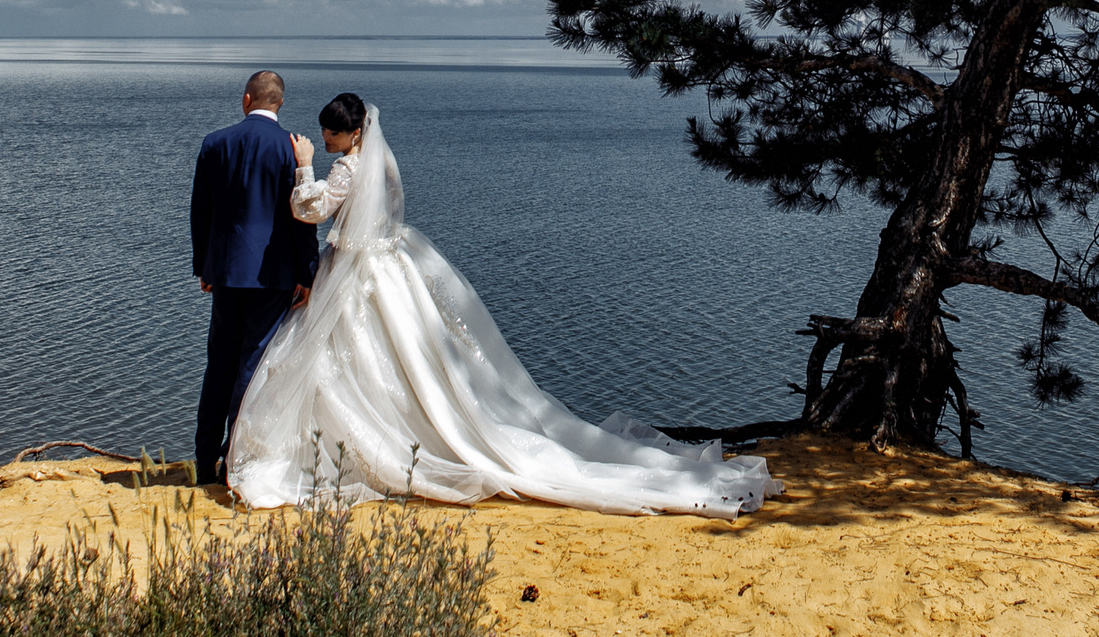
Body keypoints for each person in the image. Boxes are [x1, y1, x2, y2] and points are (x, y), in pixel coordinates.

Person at [224, 93, 781, 517]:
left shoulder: (346, 169)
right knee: (401, 363)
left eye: (327, 132)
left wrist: (301, 164)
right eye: (318, 135)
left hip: (355, 274)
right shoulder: (383, 164)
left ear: (350, 134)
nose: (321, 138)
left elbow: (310, 209)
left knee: (347, 361)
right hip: (391, 266)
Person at [189, 69, 321, 487]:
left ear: (247, 99)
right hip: (274, 275)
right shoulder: (290, 149)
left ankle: (204, 458)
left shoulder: (215, 142)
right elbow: (302, 219)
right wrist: (308, 273)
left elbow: (200, 212)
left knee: (219, 365)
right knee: (253, 364)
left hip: (226, 272)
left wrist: (204, 266)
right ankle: (235, 460)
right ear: (278, 103)